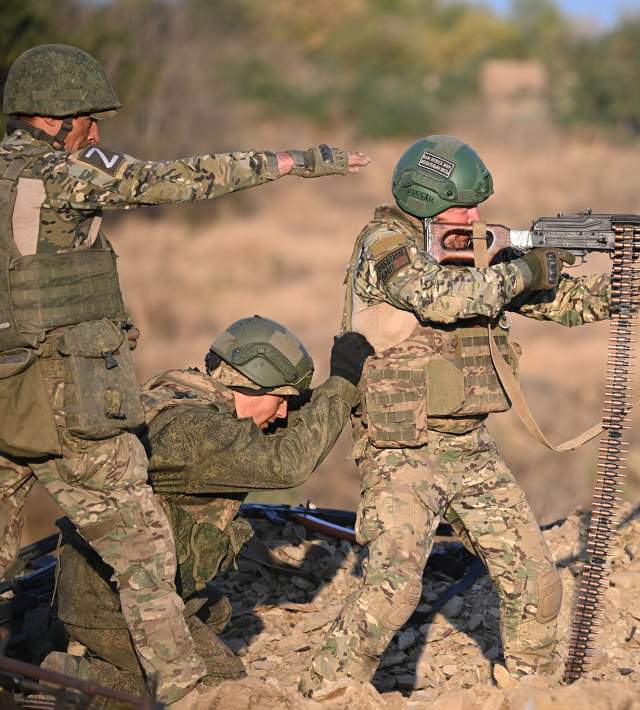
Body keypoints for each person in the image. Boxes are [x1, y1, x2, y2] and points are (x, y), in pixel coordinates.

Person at [0, 43, 368, 703]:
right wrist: (294, 162)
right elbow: (181, 178)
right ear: (57, 118)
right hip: (59, 402)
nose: (98, 134)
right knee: (140, 544)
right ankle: (186, 691)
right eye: (90, 121)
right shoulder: (65, 179)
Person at [300, 135, 640, 695]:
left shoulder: (478, 249)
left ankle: (530, 695)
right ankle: (324, 694)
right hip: (402, 449)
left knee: (536, 585)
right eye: (462, 207)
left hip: (469, 447)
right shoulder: (385, 243)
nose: (475, 216)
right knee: (391, 593)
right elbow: (440, 297)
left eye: (477, 205)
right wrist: (524, 270)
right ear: (424, 201)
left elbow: (563, 304)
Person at [42, 316, 374, 698]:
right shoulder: (196, 433)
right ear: (248, 385)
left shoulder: (185, 392)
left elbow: (274, 430)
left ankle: (77, 638)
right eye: (280, 400)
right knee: (218, 687)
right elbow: (286, 463)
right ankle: (72, 679)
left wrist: (328, 394)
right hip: (117, 601)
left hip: (110, 581)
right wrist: (343, 382)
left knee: (216, 612)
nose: (283, 413)